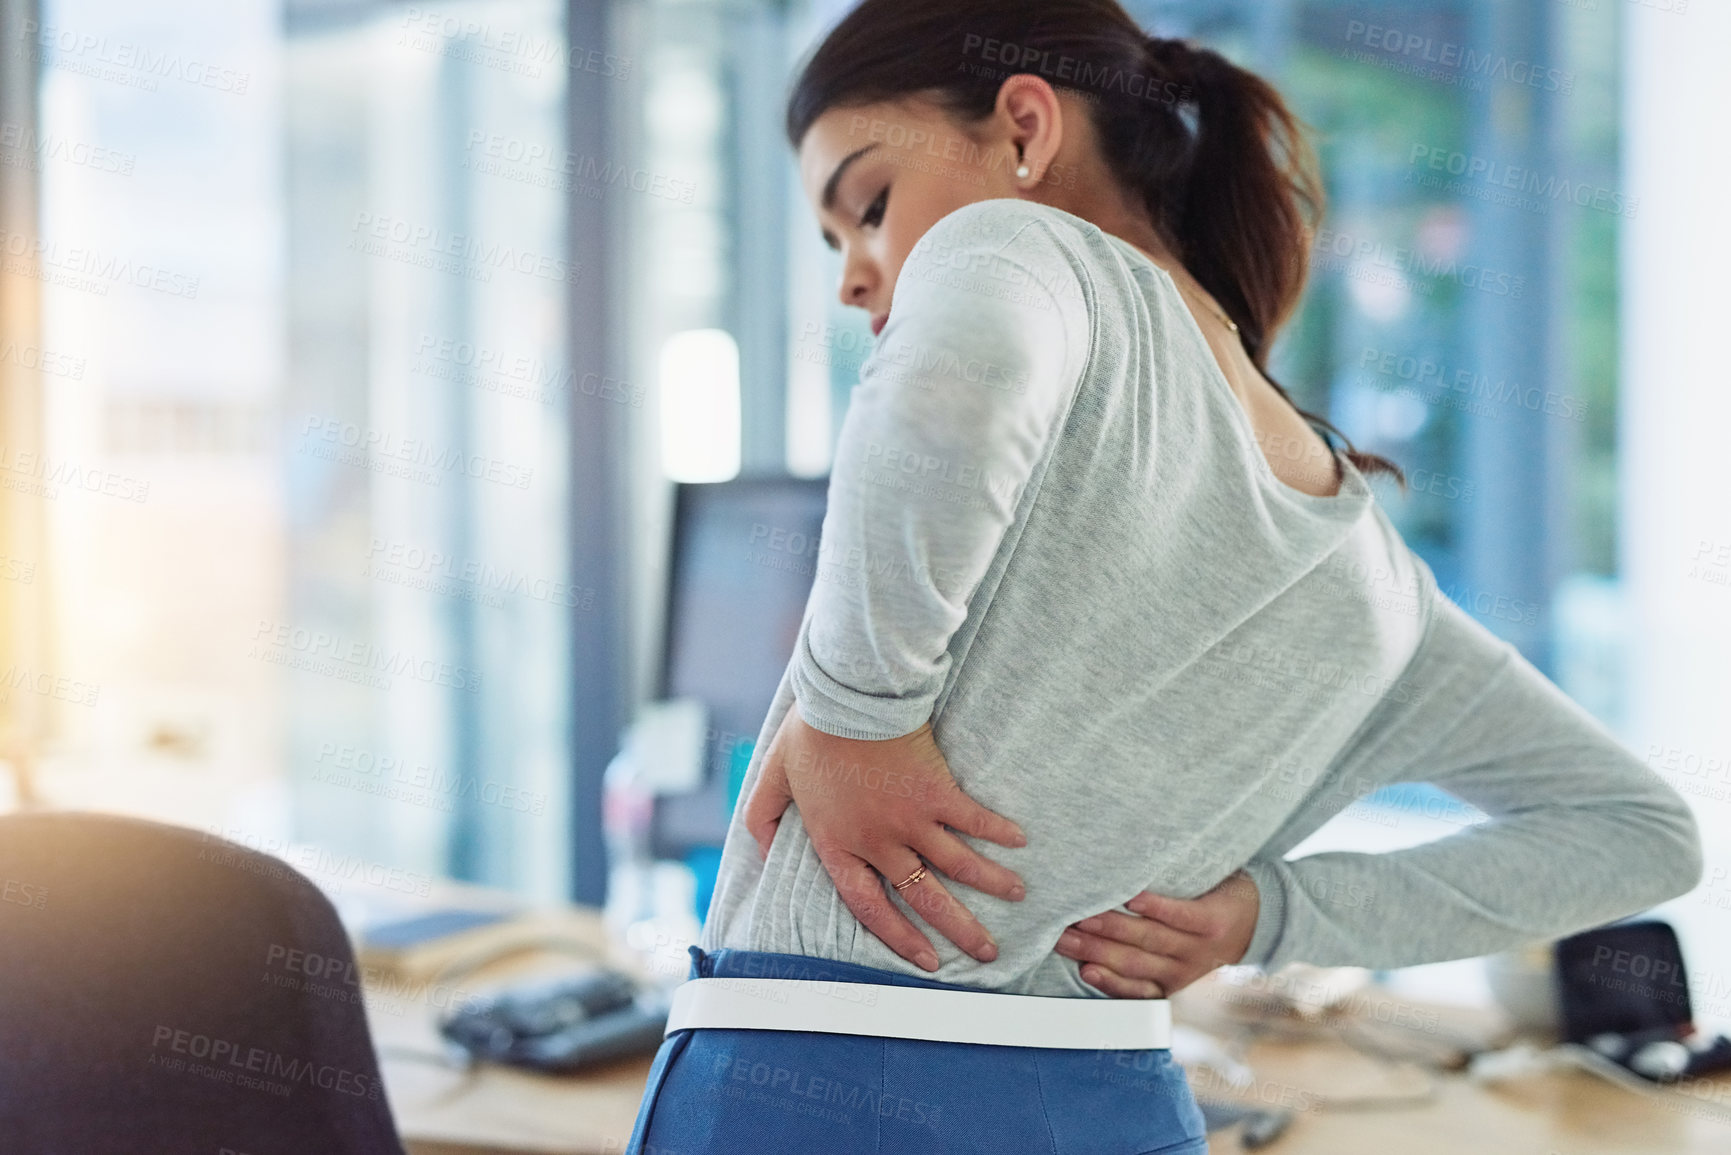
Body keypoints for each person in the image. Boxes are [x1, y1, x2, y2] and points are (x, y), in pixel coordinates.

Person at [625, 2, 1703, 1151]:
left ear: (1024, 127)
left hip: (814, 1080)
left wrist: (858, 716)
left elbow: (946, 394)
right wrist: (1264, 917)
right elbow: (1639, 832)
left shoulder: (1017, 244)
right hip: (1116, 1107)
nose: (856, 276)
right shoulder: (1372, 572)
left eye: (870, 207)